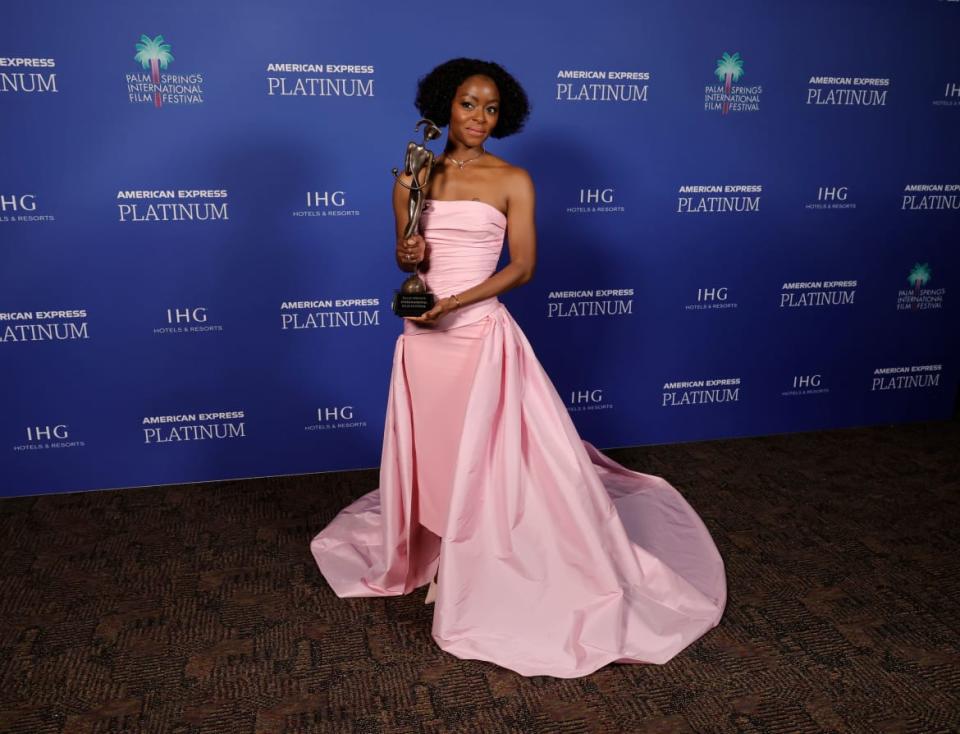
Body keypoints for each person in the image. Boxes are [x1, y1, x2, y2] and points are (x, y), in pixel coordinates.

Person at [311, 58, 727, 679]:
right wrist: (410, 255)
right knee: (438, 448)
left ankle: (484, 560)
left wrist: (453, 302)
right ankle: (443, 545)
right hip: (421, 337)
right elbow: (408, 262)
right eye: (467, 105)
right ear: (442, 107)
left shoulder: (514, 179)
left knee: (484, 453)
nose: (479, 118)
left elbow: (523, 266)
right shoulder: (412, 176)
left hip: (476, 331)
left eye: (490, 108)